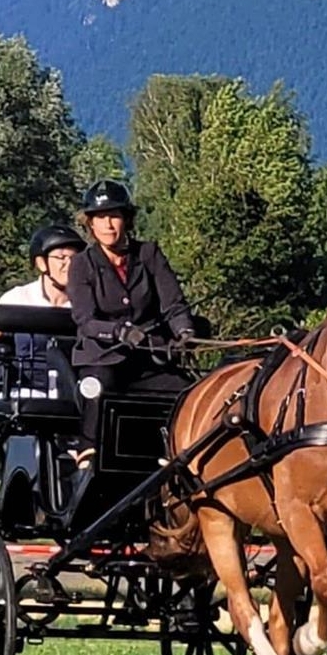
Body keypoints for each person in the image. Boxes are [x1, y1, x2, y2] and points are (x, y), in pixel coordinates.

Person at [66, 179, 195, 468]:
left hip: (149, 358)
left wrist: (185, 333)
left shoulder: (149, 254)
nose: (108, 224)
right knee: (97, 385)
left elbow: (174, 304)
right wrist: (119, 331)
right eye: (101, 217)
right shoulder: (82, 264)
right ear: (90, 224)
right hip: (103, 358)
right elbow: (85, 321)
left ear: (126, 219)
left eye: (114, 216)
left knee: (186, 390)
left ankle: (175, 453)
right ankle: (88, 455)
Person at [0, 224, 85, 396]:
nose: (68, 265)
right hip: (23, 390)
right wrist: (1, 368)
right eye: (61, 258)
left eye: (74, 258)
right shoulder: (19, 298)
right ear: (41, 262)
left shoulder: (87, 301)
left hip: (73, 392)